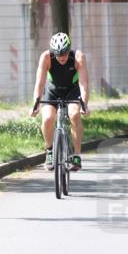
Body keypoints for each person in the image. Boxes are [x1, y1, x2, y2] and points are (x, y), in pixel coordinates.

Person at [31, 32, 89, 171]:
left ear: (69, 50)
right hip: (53, 91)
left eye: (64, 53)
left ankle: (76, 154)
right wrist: (35, 104)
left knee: (74, 115)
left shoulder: (78, 57)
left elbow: (83, 84)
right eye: (58, 54)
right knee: (47, 119)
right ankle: (50, 151)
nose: (61, 57)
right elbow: (39, 83)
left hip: (72, 91)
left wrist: (84, 104)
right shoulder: (46, 57)